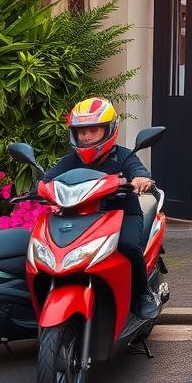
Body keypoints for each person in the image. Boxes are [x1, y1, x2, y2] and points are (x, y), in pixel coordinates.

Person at [40, 98, 160, 320]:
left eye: (93, 130)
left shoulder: (123, 156)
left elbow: (138, 170)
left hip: (123, 214)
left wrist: (141, 179)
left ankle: (143, 295)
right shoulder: (71, 160)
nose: (86, 137)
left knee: (128, 246)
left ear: (109, 129)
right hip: (82, 218)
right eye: (81, 132)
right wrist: (38, 187)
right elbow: (47, 179)